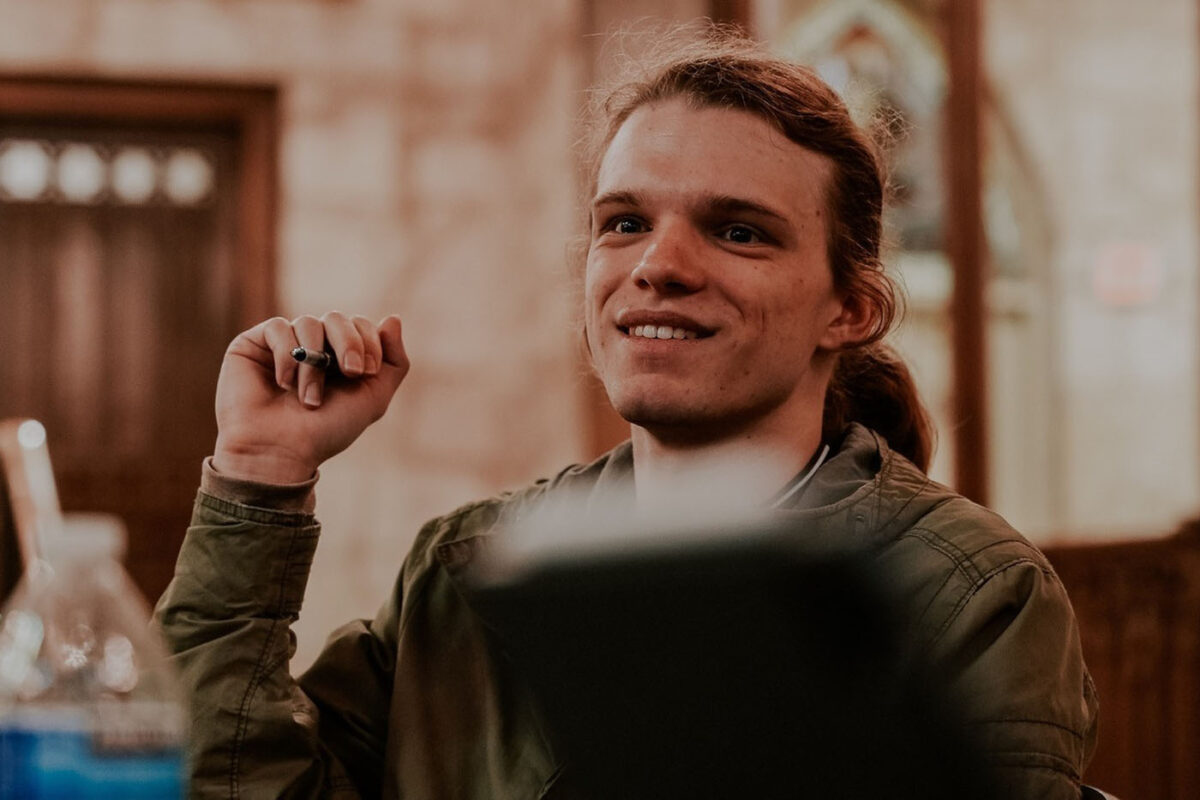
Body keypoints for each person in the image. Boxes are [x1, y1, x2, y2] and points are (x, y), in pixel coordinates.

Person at [154, 31, 1098, 800]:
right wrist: (260, 471)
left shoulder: (972, 595)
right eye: (625, 221)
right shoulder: (465, 569)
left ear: (848, 308)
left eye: (738, 231)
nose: (659, 264)